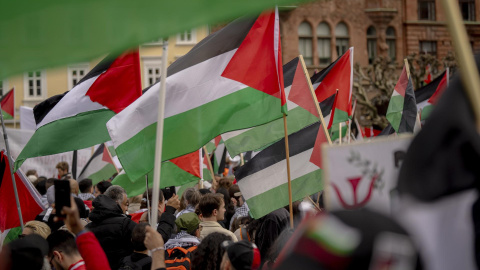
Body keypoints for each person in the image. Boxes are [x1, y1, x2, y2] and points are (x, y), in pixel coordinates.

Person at [86, 185, 136, 269]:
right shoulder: (126, 224)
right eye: (125, 204)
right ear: (117, 203)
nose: (126, 209)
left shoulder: (87, 228)